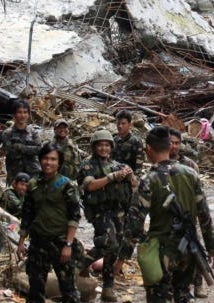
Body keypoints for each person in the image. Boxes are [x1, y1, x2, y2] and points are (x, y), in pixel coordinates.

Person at [117, 126, 214, 303]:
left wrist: (122, 258)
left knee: (159, 296)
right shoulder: (191, 174)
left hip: (161, 250)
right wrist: (213, 247)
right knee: (183, 295)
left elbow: (135, 225)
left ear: (148, 149)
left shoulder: (149, 180)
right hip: (188, 248)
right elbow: (204, 215)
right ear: (168, 146)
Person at [18, 142, 84, 303]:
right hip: (38, 243)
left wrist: (68, 245)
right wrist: (21, 242)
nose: (49, 162)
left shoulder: (66, 185)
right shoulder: (33, 185)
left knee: (68, 289)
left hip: (60, 242)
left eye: (53, 159)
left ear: (59, 162)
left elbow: (74, 216)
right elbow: (27, 215)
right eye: (46, 158)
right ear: (40, 160)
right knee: (35, 289)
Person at [78, 129, 134, 302]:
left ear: (111, 147)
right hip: (100, 212)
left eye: (107, 145)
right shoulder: (88, 165)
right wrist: (111, 177)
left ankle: (108, 287)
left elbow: (134, 185)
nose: (104, 148)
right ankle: (81, 262)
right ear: (94, 147)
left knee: (114, 249)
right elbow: (90, 186)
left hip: (119, 212)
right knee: (108, 243)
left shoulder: (117, 164)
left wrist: (130, 175)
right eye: (100, 145)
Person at [169, 128, 204, 299]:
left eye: (177, 143)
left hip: (188, 215)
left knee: (193, 248)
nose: (174, 146)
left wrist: (195, 214)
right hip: (169, 218)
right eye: (171, 142)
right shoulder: (161, 163)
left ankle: (198, 284)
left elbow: (199, 193)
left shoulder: (190, 165)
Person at [0, 99, 44, 183]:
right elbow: (9, 152)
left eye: (25, 112)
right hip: (15, 175)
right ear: (14, 114)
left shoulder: (33, 132)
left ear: (28, 114)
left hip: (33, 174)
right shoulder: (7, 133)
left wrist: (22, 147)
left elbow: (39, 149)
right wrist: (30, 149)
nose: (22, 115)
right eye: (19, 112)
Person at [112, 111, 146, 176]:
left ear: (129, 124)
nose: (120, 126)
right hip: (116, 175)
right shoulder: (114, 139)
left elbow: (139, 162)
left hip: (129, 177)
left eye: (123, 123)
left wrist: (136, 178)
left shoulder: (136, 141)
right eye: (118, 123)